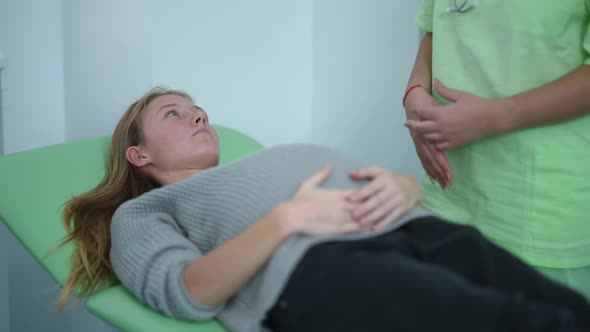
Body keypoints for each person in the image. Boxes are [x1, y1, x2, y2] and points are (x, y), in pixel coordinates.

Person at [58, 88, 590, 332]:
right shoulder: (145, 211)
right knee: (521, 323)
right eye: (175, 114)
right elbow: (183, 292)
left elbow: (388, 185)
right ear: (139, 154)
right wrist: (290, 219)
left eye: (198, 109)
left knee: (566, 309)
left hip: (418, 228)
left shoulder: (246, 166)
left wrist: (404, 187)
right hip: (320, 268)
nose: (198, 115)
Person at [403, 1, 590, 299]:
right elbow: (435, 29)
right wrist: (414, 94)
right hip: (447, 198)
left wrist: (497, 116)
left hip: (540, 213)